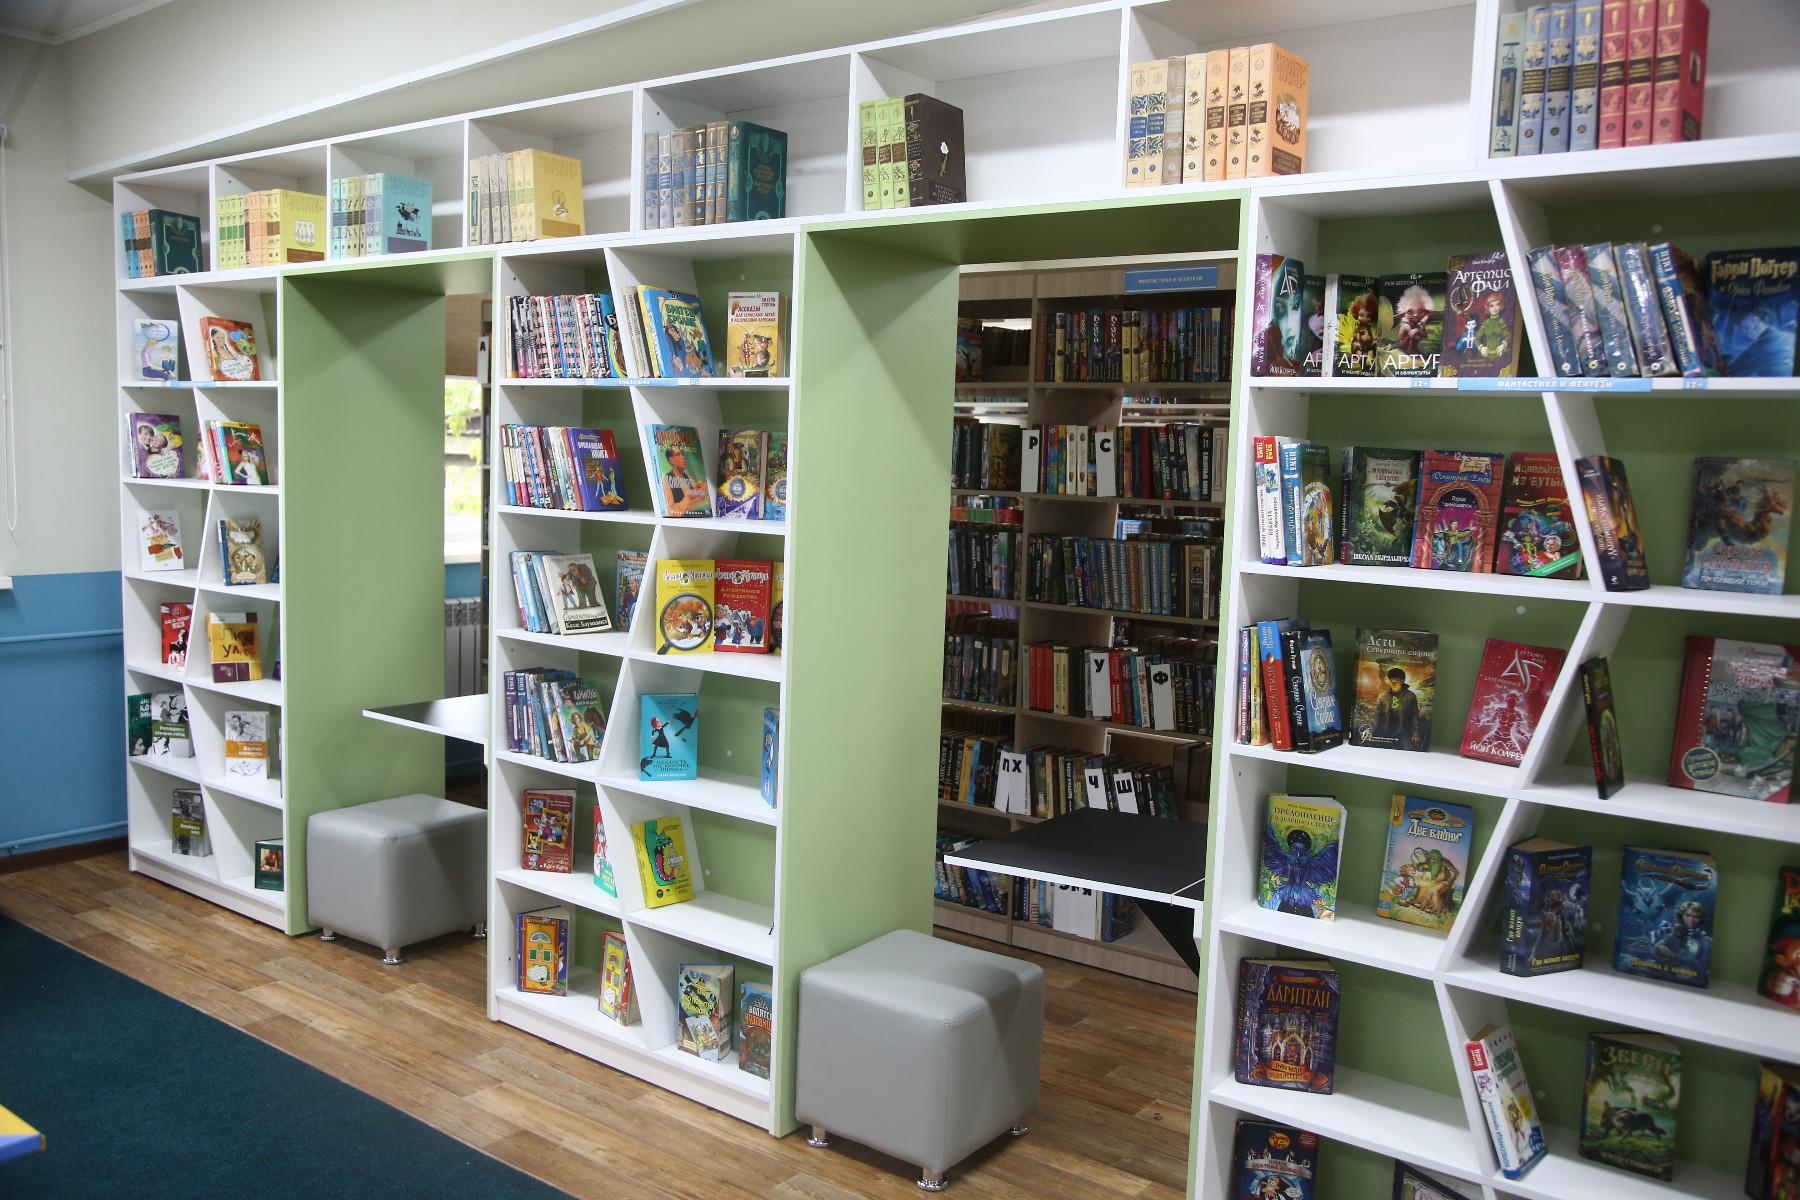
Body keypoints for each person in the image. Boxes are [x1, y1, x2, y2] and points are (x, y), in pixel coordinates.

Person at [1372, 666, 1422, 750]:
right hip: (1386, 732)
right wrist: (1375, 733)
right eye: (1391, 681)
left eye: (1396, 682)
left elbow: (1415, 716)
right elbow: (1378, 716)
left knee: (1408, 751)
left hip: (1404, 732)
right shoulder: (1383, 696)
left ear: (1402, 681)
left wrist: (1416, 734)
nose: (1393, 684)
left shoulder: (1410, 696)